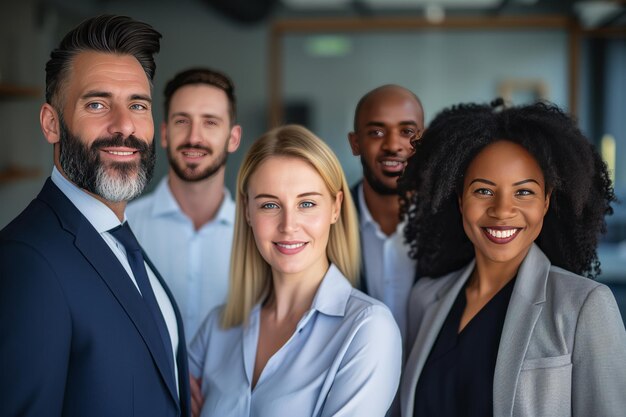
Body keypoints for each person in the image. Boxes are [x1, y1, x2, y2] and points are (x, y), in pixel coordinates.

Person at [0, 15, 191, 417]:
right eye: (97, 104)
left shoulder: (117, 235)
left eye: (137, 104)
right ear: (52, 123)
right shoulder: (26, 262)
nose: (124, 126)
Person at [398, 100, 626, 416]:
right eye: (483, 191)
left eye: (523, 192)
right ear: (460, 200)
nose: (503, 210)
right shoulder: (424, 300)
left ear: (546, 202)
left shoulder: (584, 306)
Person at [188, 125, 402, 417]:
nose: (288, 225)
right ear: (248, 211)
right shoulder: (217, 328)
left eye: (307, 203)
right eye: (270, 205)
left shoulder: (367, 329)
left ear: (335, 208)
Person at [127, 68, 242, 342]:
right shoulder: (125, 228)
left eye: (210, 122)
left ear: (233, 138)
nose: (194, 137)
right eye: (182, 121)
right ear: (164, 133)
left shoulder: (256, 233)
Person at [347, 84, 425, 340]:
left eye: (407, 132)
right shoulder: (326, 223)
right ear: (356, 143)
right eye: (377, 132)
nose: (393, 145)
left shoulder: (454, 225)